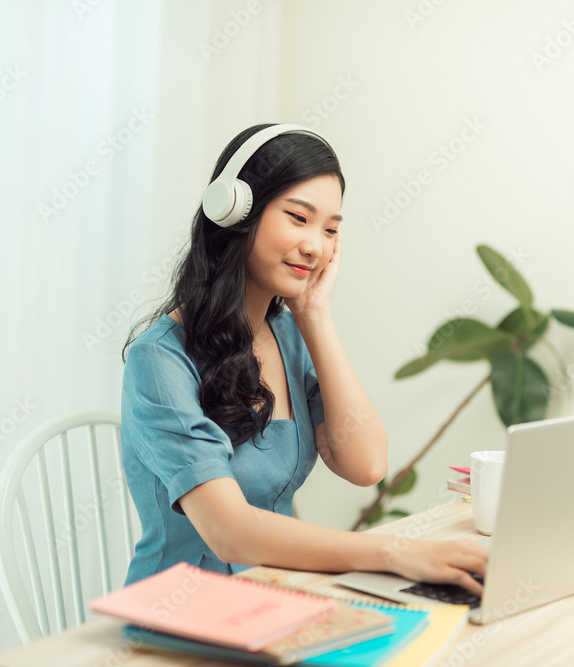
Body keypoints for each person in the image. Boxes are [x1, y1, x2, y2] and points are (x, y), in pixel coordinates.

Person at [119, 123, 488, 595]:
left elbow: (366, 464)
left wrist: (315, 316)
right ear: (235, 212)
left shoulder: (288, 337)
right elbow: (229, 533)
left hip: (276, 599)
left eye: (331, 229)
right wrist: (395, 553)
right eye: (299, 218)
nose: (316, 245)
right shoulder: (159, 359)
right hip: (179, 617)